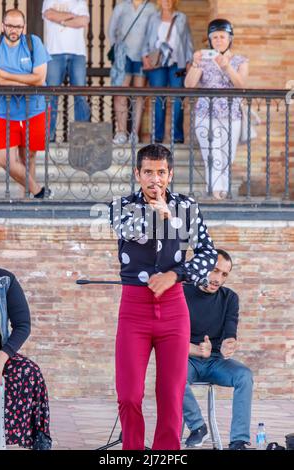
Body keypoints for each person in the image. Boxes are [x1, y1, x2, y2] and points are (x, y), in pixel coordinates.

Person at [109, 144, 217, 450]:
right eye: (148, 172)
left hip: (173, 308)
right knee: (129, 394)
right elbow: (134, 233)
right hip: (134, 309)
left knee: (171, 395)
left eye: (160, 172)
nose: (154, 179)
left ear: (170, 174)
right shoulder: (120, 207)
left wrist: (175, 275)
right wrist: (161, 216)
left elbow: (208, 252)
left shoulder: (188, 207)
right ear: (137, 174)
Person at [182, 249, 253, 450]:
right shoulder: (180, 293)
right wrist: (195, 349)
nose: (218, 278)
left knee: (244, 376)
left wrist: (228, 343)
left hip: (216, 362)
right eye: (215, 270)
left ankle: (238, 441)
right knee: (171, 374)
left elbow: (230, 329)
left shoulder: (230, 298)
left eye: (224, 274)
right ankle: (198, 426)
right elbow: (169, 339)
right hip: (186, 360)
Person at [185, 19, 249, 199]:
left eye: (222, 36)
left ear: (230, 38)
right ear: (209, 40)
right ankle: (216, 192)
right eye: (214, 37)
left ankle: (224, 190)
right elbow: (189, 85)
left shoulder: (240, 60)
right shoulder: (203, 60)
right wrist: (196, 64)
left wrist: (227, 67)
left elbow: (242, 86)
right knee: (211, 153)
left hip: (232, 115)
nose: (218, 40)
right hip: (205, 113)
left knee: (228, 155)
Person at [0, 9, 51, 199]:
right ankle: (38, 191)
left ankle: (27, 198)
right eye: (9, 25)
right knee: (4, 159)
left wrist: (4, 75)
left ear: (23, 27)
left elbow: (39, 78)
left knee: (29, 156)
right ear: (3, 26)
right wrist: (26, 79)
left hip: (33, 108)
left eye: (18, 26)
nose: (13, 30)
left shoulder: (33, 43)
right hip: (2, 110)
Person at [0, 265, 52, 450]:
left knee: (29, 371)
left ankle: (38, 440)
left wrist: (2, 358)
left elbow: (22, 325)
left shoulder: (4, 280)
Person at [142, 0, 194, 143]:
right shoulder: (153, 18)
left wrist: (190, 61)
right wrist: (144, 56)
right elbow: (146, 39)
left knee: (178, 99)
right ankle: (157, 136)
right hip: (157, 63)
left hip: (178, 63)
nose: (167, 1)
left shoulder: (182, 17)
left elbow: (187, 40)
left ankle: (177, 136)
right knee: (158, 99)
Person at [108, 0, 156, 145]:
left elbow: (154, 32)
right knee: (120, 93)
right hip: (124, 55)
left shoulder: (151, 8)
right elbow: (111, 30)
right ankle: (121, 132)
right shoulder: (121, 7)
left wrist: (150, 54)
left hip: (143, 55)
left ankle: (134, 133)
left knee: (139, 95)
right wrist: (116, 50)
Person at [42, 0, 91, 142]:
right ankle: (48, 137)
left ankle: (81, 138)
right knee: (51, 95)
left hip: (78, 54)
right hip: (54, 52)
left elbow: (83, 20)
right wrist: (71, 16)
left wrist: (61, 19)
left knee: (80, 96)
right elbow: (49, 14)